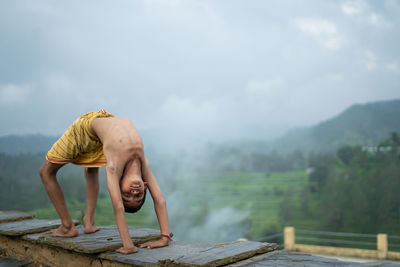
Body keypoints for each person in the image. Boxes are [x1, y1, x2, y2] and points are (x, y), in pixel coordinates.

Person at [39, 110, 170, 254]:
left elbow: (118, 206)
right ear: (145, 187)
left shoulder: (114, 167)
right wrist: (164, 238)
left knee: (46, 172)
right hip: (103, 121)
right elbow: (160, 201)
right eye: (138, 196)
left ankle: (67, 226)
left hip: (84, 128)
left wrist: (128, 245)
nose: (134, 193)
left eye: (126, 195)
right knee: (91, 167)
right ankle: (88, 221)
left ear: (119, 184)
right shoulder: (144, 165)